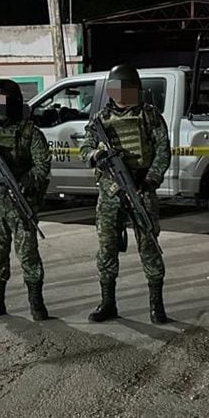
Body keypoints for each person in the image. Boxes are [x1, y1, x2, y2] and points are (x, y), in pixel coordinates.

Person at [79, 63, 172, 323]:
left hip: (141, 189)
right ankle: (108, 303)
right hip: (110, 192)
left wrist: (150, 181)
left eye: (125, 88)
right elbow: (85, 150)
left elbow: (163, 150)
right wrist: (97, 155)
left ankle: (157, 306)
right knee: (107, 248)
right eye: (116, 88)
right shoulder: (100, 120)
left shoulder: (150, 116)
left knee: (149, 246)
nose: (120, 93)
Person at [0, 78, 53, 321]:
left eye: (2, 101)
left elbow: (42, 166)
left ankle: (36, 304)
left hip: (20, 202)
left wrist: (20, 183)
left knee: (28, 255)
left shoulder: (30, 133)